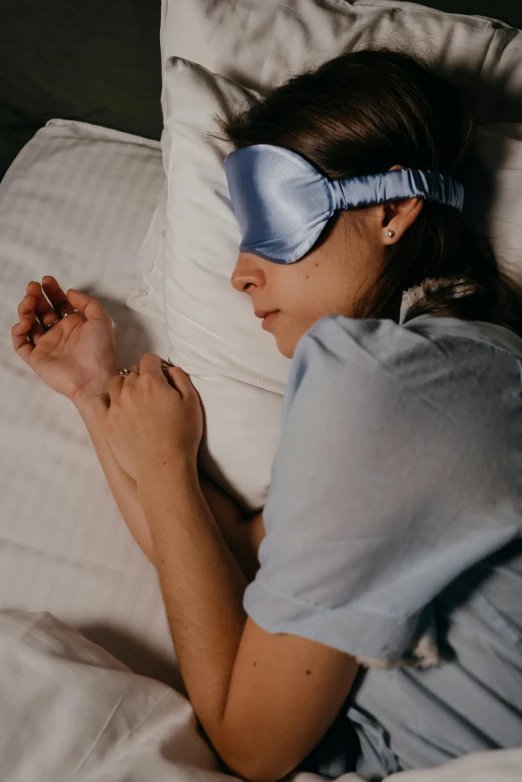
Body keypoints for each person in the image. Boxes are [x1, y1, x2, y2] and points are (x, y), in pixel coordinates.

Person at [11, 48, 522, 782]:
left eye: (273, 215)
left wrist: (163, 466)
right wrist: (96, 394)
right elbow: (228, 562)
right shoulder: (445, 374)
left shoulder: (385, 380)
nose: (239, 271)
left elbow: (250, 743)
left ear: (393, 211)